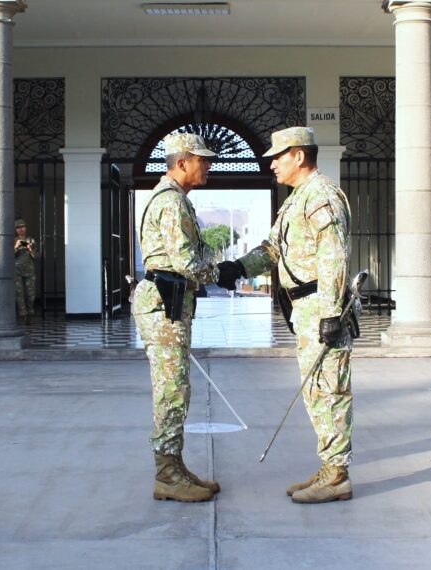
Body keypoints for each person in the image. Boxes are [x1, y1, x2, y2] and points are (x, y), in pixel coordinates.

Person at [219, 126, 354, 504]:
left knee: (330, 390)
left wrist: (330, 313)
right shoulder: (297, 200)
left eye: (278, 157)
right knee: (316, 390)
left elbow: (334, 257)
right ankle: (330, 466)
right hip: (305, 309)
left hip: (320, 307)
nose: (273, 164)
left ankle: (337, 473)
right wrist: (238, 268)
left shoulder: (321, 196)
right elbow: (273, 249)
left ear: (299, 155)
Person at [132, 132, 221, 503]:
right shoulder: (172, 203)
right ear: (182, 162)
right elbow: (186, 262)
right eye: (202, 159)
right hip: (164, 305)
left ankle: (176, 466)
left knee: (178, 388)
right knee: (172, 390)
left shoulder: (172, 199)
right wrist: (222, 271)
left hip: (170, 303)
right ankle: (166, 474)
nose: (208, 165)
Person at [13, 220, 37, 325]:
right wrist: (16, 247)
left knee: (31, 294)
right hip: (17, 272)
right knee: (19, 294)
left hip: (29, 272)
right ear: (15, 230)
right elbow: (8, 256)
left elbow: (36, 256)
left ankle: (30, 313)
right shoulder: (13, 241)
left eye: (23, 227)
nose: (21, 229)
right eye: (18, 227)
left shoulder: (31, 240)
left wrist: (30, 249)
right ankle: (23, 315)